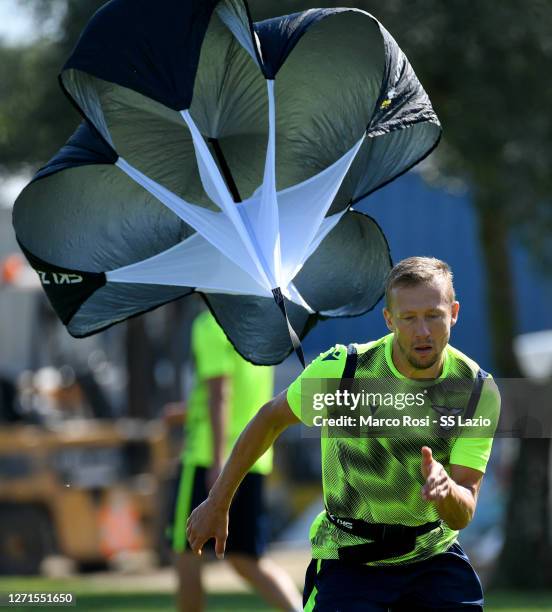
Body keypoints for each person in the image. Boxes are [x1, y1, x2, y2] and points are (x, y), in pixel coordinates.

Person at [186, 257, 501, 611]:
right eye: (409, 318)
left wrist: (446, 493)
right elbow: (270, 420)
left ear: (454, 312)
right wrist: (218, 501)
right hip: (350, 558)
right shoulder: (345, 371)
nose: (422, 331)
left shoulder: (476, 391)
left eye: (433, 315)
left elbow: (462, 512)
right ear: (389, 320)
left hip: (432, 556)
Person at [167, 308, 302, 612]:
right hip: (254, 457)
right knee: (247, 559)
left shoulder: (210, 324)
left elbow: (221, 394)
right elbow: (243, 396)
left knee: (186, 551)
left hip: (207, 459)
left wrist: (218, 465)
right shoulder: (256, 322)